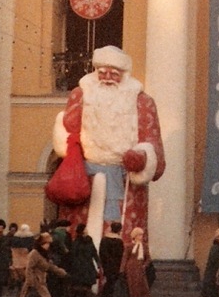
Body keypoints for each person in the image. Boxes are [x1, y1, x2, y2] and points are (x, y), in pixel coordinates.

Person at [51, 46, 165, 246]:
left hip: (124, 178)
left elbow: (152, 140)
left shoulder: (142, 102)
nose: (107, 78)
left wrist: (142, 157)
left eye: (114, 73)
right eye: (102, 72)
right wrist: (68, 146)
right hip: (84, 178)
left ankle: (119, 272)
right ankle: (84, 271)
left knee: (124, 233)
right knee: (81, 230)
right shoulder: (80, 95)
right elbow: (68, 130)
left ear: (124, 74)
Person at [13, 232, 68, 297]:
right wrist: (30, 283)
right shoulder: (34, 253)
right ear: (40, 244)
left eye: (48, 244)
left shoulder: (44, 254)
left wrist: (62, 273)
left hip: (40, 282)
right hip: (35, 282)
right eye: (45, 243)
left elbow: (49, 266)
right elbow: (29, 268)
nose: (47, 246)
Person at [66, 223, 101, 297]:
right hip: (79, 264)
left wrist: (98, 262)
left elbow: (93, 251)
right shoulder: (76, 241)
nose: (86, 230)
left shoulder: (89, 239)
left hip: (87, 263)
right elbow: (73, 253)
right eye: (85, 229)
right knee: (79, 282)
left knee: (88, 282)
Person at [121, 226, 154, 297]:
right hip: (131, 269)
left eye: (142, 235)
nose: (141, 237)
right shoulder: (129, 246)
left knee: (144, 287)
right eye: (139, 235)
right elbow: (125, 258)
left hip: (140, 268)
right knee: (133, 287)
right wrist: (122, 270)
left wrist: (145, 265)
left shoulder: (144, 246)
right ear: (134, 236)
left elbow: (148, 258)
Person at [98, 221, 125, 297]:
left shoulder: (105, 239)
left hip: (107, 263)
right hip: (116, 264)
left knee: (109, 280)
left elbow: (102, 252)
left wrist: (103, 262)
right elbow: (121, 254)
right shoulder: (119, 241)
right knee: (112, 281)